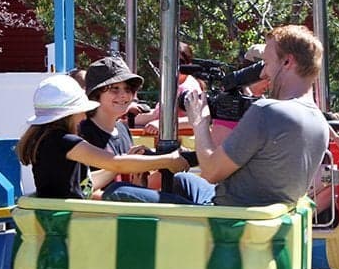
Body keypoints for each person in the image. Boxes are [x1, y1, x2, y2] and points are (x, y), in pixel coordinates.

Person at [173, 24, 330, 207]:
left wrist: (199, 122)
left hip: (229, 218)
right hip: (272, 216)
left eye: (268, 64)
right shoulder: (319, 121)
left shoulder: (268, 111)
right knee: (183, 181)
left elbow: (210, 172)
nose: (263, 73)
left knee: (131, 195)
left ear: (288, 62)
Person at [16, 75, 190, 202]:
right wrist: (167, 160)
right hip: (67, 223)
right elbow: (115, 162)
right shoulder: (64, 142)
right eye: (81, 110)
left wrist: (123, 164)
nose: (84, 116)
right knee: (125, 193)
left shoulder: (49, 140)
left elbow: (88, 184)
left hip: (62, 220)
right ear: (70, 114)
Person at [79, 56, 151, 193]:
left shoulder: (123, 128)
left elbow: (134, 186)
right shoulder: (83, 133)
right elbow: (83, 190)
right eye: (114, 89)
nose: (124, 95)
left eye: (128, 89)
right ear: (95, 94)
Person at [134, 42, 203, 135]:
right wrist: (126, 119)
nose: (173, 66)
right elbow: (156, 116)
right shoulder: (172, 85)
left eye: (179, 62)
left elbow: (198, 119)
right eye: (167, 61)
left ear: (189, 64)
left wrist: (162, 124)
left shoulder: (189, 88)